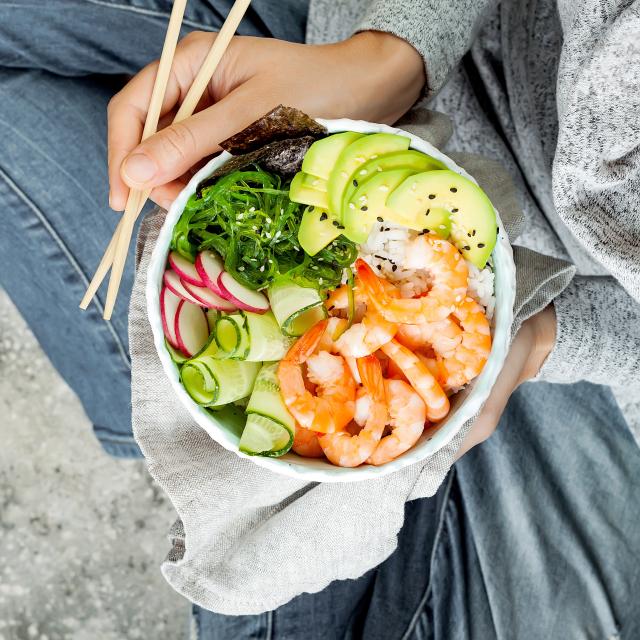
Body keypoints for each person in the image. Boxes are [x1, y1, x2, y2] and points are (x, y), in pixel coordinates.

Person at [1, 0, 638, 637]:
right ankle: (128, 411)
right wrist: (397, 51)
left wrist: (550, 331)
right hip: (364, 77)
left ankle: (131, 416)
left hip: (571, 354)